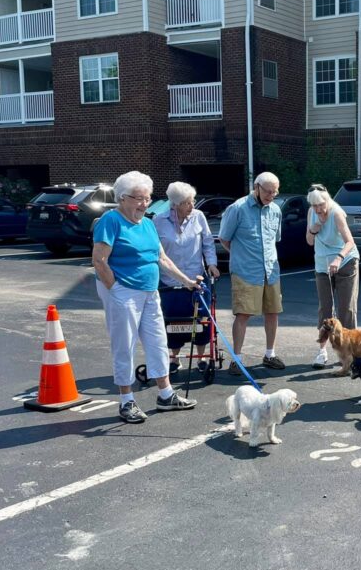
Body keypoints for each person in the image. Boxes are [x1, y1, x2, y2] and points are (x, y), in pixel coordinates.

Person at [91, 171, 203, 424]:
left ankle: (165, 394)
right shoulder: (111, 221)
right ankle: (126, 400)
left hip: (150, 292)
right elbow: (99, 260)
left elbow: (161, 258)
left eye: (147, 198)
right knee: (125, 345)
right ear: (122, 198)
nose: (144, 204)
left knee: (158, 342)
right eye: (138, 198)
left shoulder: (148, 224)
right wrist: (115, 289)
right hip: (123, 292)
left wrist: (187, 282)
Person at [218, 171, 285, 374]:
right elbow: (224, 238)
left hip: (271, 271)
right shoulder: (237, 208)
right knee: (243, 314)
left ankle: (270, 354)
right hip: (246, 271)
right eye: (268, 191)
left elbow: (275, 239)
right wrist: (241, 256)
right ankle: (236, 359)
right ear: (256, 187)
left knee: (273, 312)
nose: (271, 196)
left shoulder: (275, 210)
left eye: (275, 192)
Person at [153, 181, 220, 372]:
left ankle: (201, 357)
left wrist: (212, 264)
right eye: (187, 203)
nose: (192, 206)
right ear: (175, 204)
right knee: (173, 320)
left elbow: (207, 242)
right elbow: (154, 251)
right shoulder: (158, 221)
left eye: (193, 201)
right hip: (169, 281)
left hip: (196, 277)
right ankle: (173, 359)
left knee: (201, 319)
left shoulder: (198, 217)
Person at [305, 183, 360, 368]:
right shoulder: (312, 213)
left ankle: (349, 353)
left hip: (345, 262)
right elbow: (309, 241)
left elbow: (350, 242)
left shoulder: (336, 213)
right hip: (322, 266)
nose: (319, 209)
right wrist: (314, 228)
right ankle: (321, 352)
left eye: (321, 205)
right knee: (325, 309)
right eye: (315, 206)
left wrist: (338, 258)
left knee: (346, 309)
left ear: (327, 200)